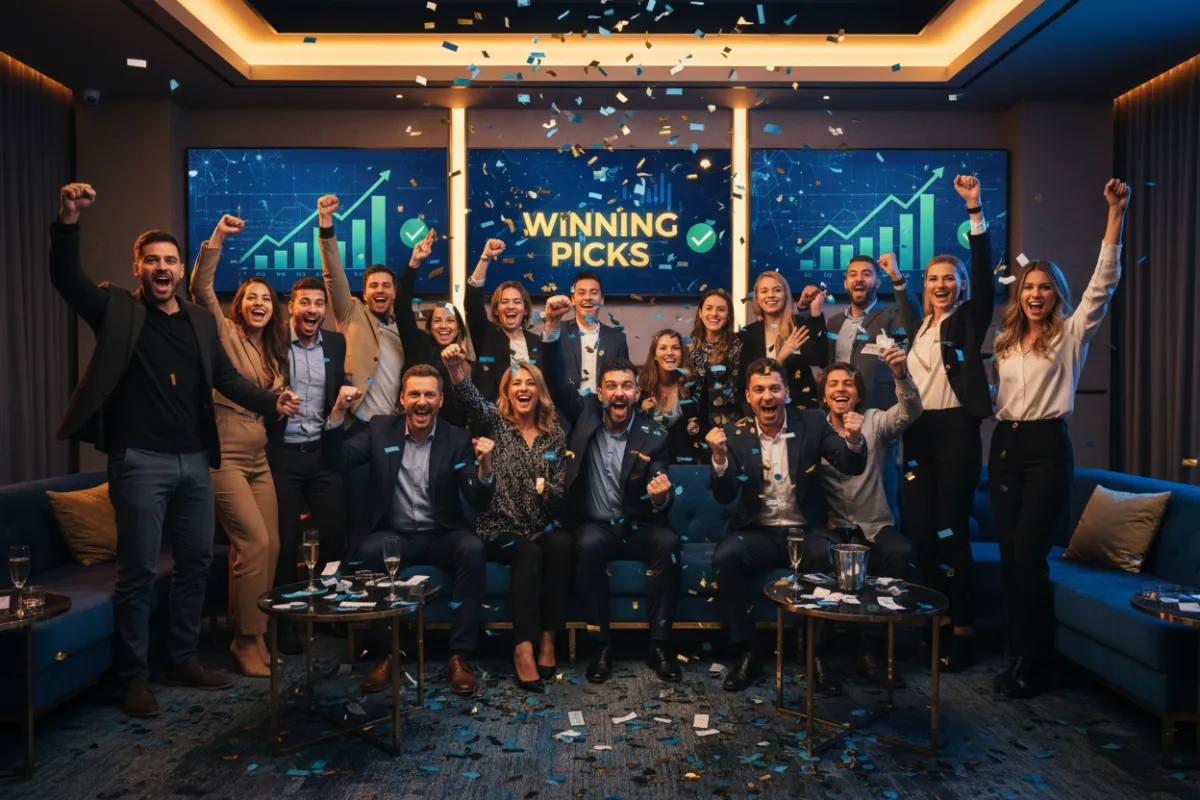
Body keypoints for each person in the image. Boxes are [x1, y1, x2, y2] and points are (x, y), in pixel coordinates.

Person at [50, 184, 300, 718]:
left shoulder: (200, 321)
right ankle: (133, 677)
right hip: (140, 460)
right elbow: (65, 280)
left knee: (192, 564)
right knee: (138, 571)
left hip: (194, 460)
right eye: (152, 260)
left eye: (170, 260)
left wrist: (271, 400)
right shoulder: (117, 309)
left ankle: (182, 658)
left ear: (178, 266)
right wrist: (68, 221)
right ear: (137, 266)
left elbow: (228, 378)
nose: (162, 268)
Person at [988, 179, 1130, 699]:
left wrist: (1115, 214)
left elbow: (1104, 283)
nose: (1035, 294)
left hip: (1048, 448)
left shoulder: (1070, 334)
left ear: (1057, 295)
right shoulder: (1005, 344)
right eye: (1028, 286)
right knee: (1009, 554)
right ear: (1019, 294)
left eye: (1045, 287)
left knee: (1028, 555)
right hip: (1004, 447)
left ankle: (1035, 662)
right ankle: (1016, 655)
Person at [328, 364, 495, 696]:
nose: (422, 401)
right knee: (369, 551)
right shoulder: (379, 429)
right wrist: (336, 414)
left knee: (473, 549)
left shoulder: (458, 438)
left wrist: (486, 467)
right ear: (402, 398)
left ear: (441, 400)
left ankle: (459, 656)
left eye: (429, 394)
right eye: (415, 394)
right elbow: (338, 459)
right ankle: (386, 656)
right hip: (395, 536)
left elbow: (477, 500)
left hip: (440, 534)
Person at [541, 295, 682, 684]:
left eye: (626, 386)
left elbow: (664, 492)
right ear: (600, 393)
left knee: (668, 545)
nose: (619, 393)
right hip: (595, 525)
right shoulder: (584, 412)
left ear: (637, 393)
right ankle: (601, 645)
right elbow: (553, 378)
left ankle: (660, 645)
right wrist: (551, 328)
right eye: (612, 387)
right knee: (584, 546)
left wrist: (660, 497)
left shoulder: (654, 436)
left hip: (639, 524)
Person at [707, 358, 867, 693]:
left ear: (787, 393)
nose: (768, 396)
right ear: (749, 397)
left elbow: (850, 463)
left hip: (804, 530)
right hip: (759, 532)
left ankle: (816, 654)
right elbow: (724, 496)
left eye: (774, 389)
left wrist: (853, 439)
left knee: (828, 555)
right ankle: (748, 651)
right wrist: (720, 459)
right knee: (725, 558)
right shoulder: (736, 434)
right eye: (760, 390)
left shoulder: (810, 423)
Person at [190, 213, 289, 677]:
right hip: (225, 452)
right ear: (238, 305)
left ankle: (255, 631)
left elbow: (270, 400)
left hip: (259, 455)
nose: (258, 304)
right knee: (253, 541)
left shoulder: (273, 351)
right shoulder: (223, 333)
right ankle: (245, 640)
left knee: (270, 546)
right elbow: (202, 288)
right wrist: (218, 239)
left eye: (266, 300)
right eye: (251, 298)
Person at [902, 174, 994, 672]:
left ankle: (962, 630)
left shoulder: (967, 317)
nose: (940, 286)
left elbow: (984, 273)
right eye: (933, 279)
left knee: (950, 532)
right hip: (919, 433)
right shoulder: (922, 326)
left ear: (959, 285)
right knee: (919, 530)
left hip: (956, 429)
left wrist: (975, 212)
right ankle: (933, 621)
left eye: (948, 279)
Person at [442, 343, 572, 693]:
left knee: (560, 544)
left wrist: (547, 490)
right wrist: (456, 370)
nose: (523, 389)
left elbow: (560, 491)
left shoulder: (554, 434)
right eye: (516, 383)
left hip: (539, 524)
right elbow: (470, 400)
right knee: (527, 552)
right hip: (498, 528)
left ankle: (548, 639)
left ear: (539, 391)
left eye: (530, 383)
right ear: (506, 392)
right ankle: (523, 648)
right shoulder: (493, 423)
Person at [817, 352, 921, 687]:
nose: (841, 388)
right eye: (833, 384)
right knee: (818, 552)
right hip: (834, 529)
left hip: (876, 525)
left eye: (848, 383)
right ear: (824, 396)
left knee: (900, 551)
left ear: (858, 394)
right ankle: (819, 655)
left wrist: (900, 374)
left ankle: (870, 650)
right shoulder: (814, 432)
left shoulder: (875, 421)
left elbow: (911, 411)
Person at [265, 276, 351, 657]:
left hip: (322, 454)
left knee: (334, 535)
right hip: (282, 454)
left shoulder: (335, 342)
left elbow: (335, 388)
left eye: (319, 304)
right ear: (291, 308)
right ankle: (285, 625)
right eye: (305, 303)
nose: (313, 310)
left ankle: (330, 610)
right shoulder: (274, 342)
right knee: (285, 543)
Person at [816, 254, 922, 522]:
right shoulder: (834, 323)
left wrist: (897, 278)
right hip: (838, 421)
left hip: (877, 418)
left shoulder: (891, 314)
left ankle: (888, 546)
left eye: (866, 273)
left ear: (876, 281)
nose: (859, 278)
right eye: (853, 274)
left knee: (882, 496)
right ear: (845, 282)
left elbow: (914, 322)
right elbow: (823, 365)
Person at [316, 193, 403, 422]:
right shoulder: (351, 311)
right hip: (355, 422)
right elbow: (333, 275)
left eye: (386, 286)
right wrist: (325, 223)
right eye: (373, 286)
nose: (380, 290)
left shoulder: (404, 328)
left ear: (394, 292)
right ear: (364, 293)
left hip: (393, 426)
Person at [398, 229, 472, 428]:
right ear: (429, 326)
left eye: (450, 320)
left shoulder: (467, 363)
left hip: (452, 442)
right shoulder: (418, 345)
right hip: (415, 430)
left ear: (458, 327)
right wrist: (414, 263)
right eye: (437, 321)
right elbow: (401, 306)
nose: (444, 326)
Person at [464, 238, 544, 402]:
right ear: (496, 309)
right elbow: (472, 303)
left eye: (517, 302)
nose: (511, 307)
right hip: (495, 420)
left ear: (525, 309)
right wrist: (485, 257)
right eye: (504, 302)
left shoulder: (537, 342)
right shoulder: (487, 335)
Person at [739, 272, 828, 410]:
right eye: (764, 291)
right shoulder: (747, 334)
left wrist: (815, 311)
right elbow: (748, 379)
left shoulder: (798, 327)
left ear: (786, 295)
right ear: (756, 298)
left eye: (777, 290)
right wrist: (781, 356)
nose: (771, 295)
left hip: (800, 410)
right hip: (763, 411)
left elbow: (820, 360)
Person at [687, 288, 744, 464]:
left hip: (733, 426)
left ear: (728, 315)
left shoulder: (740, 346)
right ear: (700, 313)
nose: (714, 314)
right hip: (696, 425)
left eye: (721, 309)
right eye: (709, 308)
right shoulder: (688, 348)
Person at [557, 270, 630, 395]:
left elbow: (625, 379)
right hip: (565, 410)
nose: (588, 298)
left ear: (601, 299)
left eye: (594, 293)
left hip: (603, 409)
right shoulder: (558, 332)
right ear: (573, 299)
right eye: (581, 293)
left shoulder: (617, 339)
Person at [638, 329, 696, 463]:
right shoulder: (640, 385)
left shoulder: (691, 385)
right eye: (663, 348)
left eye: (675, 348)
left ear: (681, 354)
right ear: (654, 355)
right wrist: (641, 410)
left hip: (681, 463)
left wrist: (693, 428)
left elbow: (697, 426)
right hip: (646, 462)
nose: (670, 353)